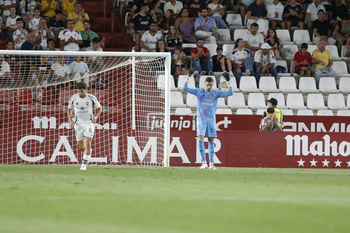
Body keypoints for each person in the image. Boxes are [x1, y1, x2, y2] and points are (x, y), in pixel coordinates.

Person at [183, 68, 233, 170]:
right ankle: (203, 162)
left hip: (211, 120)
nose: (209, 86)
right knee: (200, 139)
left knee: (211, 141)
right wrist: (188, 77)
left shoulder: (216, 93)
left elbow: (230, 93)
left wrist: (229, 81)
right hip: (201, 119)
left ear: (213, 85)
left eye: (211, 85)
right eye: (207, 85)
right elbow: (185, 88)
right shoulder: (199, 91)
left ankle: (211, 164)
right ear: (204, 84)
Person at [67, 81, 103, 171]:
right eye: (78, 91)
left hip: (89, 123)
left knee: (87, 142)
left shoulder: (91, 98)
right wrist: (70, 121)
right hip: (78, 123)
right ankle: (88, 152)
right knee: (81, 146)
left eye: (81, 91)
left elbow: (99, 108)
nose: (80, 93)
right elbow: (68, 109)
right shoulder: (73, 98)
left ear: (86, 90)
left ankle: (83, 165)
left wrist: (96, 116)